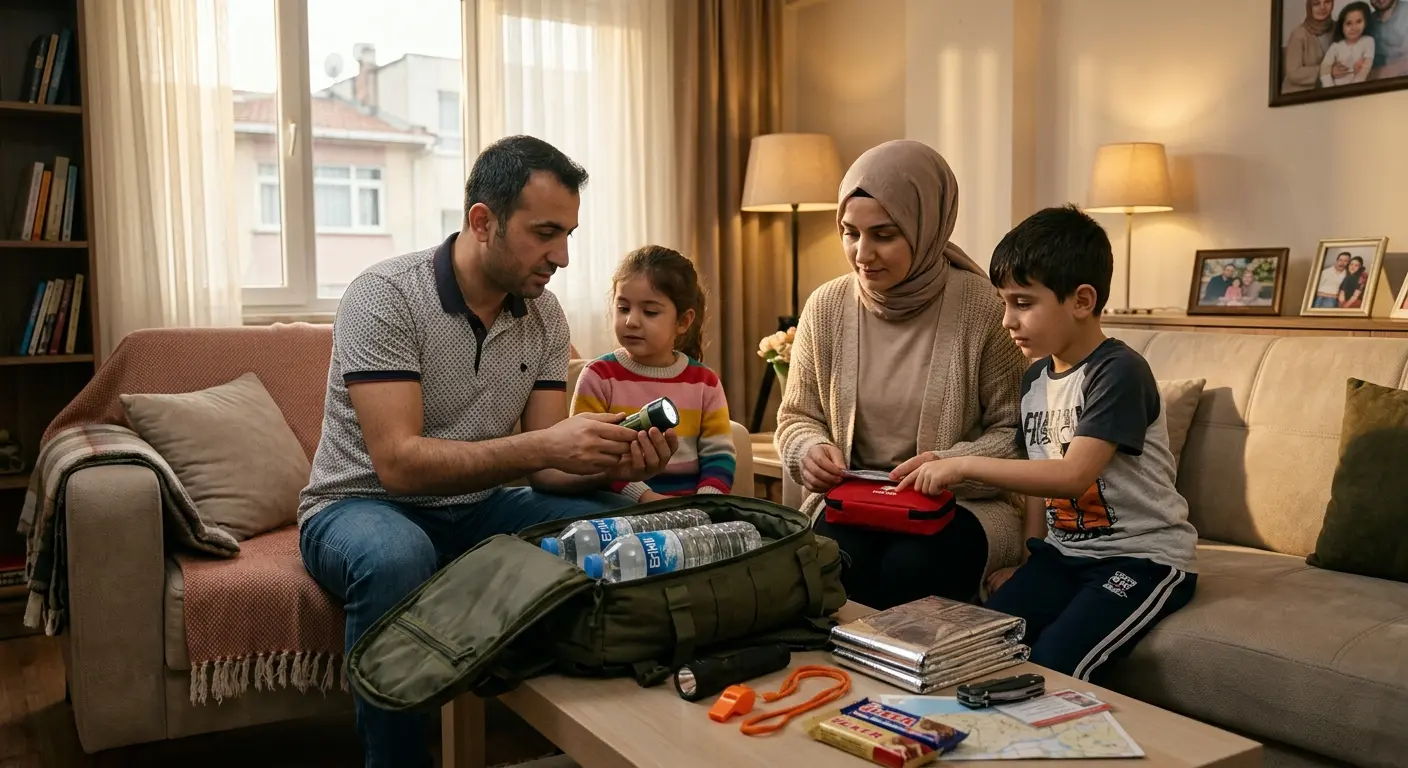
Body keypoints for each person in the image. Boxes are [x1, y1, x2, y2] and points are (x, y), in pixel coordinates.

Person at [297, 135, 679, 767]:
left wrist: (613, 460)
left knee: (624, 523)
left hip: (480, 505)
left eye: (569, 234)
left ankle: (625, 739)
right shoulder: (386, 296)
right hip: (361, 505)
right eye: (545, 232)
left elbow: (548, 468)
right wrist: (543, 446)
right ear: (483, 221)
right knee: (398, 557)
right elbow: (398, 463)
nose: (561, 255)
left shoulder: (544, 315)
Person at [895, 205, 1198, 683]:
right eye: (1004, 303)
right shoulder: (1036, 377)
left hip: (1141, 560)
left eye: (1022, 303)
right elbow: (1039, 476)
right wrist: (1028, 556)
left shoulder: (1118, 373)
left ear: (1081, 301)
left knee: (1054, 665)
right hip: (1062, 557)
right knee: (977, 646)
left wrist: (961, 464)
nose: (1007, 321)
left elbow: (1072, 475)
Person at [775, 139, 1027, 611]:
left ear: (926, 226)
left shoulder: (984, 308)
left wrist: (949, 465)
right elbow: (796, 417)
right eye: (850, 232)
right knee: (831, 563)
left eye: (884, 235)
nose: (862, 253)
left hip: (962, 507)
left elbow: (1016, 434)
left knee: (911, 571)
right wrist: (807, 451)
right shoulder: (825, 306)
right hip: (856, 503)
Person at [571, 245, 736, 500]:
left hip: (692, 511)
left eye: (650, 312)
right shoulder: (598, 376)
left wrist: (706, 503)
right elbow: (590, 457)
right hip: (618, 508)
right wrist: (644, 497)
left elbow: (720, 456)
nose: (631, 321)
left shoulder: (705, 383)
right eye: (623, 308)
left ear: (683, 321)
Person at [1283, 0, 1335, 94]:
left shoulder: (1338, 27)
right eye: (1316, 3)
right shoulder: (1299, 34)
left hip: (1328, 92)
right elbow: (1294, 73)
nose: (1322, 7)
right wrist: (1329, 70)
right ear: (1309, 7)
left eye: (1327, 2)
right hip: (1298, 95)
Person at [1321, 2, 1376, 87]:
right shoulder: (1335, 47)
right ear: (1342, 26)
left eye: (1358, 21)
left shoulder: (1368, 41)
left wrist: (1354, 88)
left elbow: (1366, 67)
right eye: (1348, 23)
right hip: (1336, 92)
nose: (1354, 27)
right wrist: (1330, 89)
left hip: (1358, 89)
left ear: (1365, 23)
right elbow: (1324, 69)